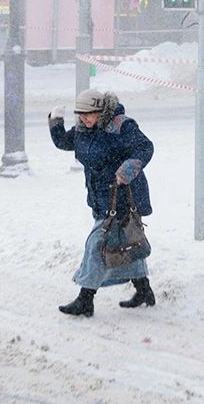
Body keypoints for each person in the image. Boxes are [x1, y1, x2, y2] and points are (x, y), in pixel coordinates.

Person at [49, 89, 155, 317]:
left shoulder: (121, 126)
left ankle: (85, 300)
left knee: (98, 244)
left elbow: (145, 147)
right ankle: (144, 290)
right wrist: (55, 122)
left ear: (101, 110)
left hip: (123, 196)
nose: (84, 119)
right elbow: (64, 142)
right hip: (101, 197)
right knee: (127, 240)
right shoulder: (83, 130)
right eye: (81, 115)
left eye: (89, 114)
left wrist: (128, 168)